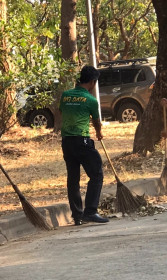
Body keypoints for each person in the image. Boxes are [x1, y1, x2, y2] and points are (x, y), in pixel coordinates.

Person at [59, 65, 109, 225]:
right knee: (96, 174)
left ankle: (77, 215)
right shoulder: (91, 100)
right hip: (82, 140)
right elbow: (96, 121)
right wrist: (99, 132)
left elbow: (62, 112)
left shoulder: (65, 96)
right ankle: (90, 211)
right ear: (93, 82)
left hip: (67, 142)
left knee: (73, 178)